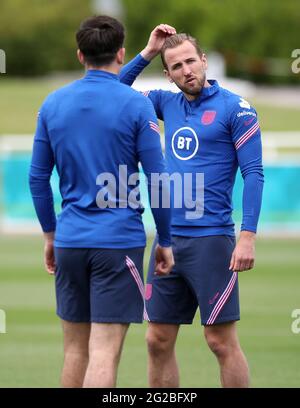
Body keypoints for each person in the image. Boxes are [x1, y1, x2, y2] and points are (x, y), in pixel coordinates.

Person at [29, 16, 174, 388]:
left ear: (80, 55)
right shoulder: (137, 107)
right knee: (104, 353)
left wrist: (50, 235)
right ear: (121, 52)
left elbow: (37, 178)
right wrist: (166, 240)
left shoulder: (53, 104)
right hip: (117, 242)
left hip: (70, 241)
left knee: (75, 352)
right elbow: (158, 179)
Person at [120, 26, 264, 387]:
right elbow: (115, 91)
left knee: (219, 341)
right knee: (157, 339)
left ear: (203, 61)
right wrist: (148, 52)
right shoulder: (165, 103)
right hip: (168, 241)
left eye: (190, 61)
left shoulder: (236, 108)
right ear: (167, 74)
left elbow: (254, 174)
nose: (187, 70)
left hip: (211, 240)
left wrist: (247, 236)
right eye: (176, 66)